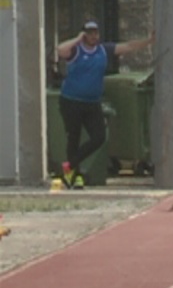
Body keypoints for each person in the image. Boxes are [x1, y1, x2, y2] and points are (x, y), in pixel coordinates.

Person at [55, 20, 154, 189]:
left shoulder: (103, 50)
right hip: (71, 101)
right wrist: (78, 39)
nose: (94, 36)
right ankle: (74, 176)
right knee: (74, 137)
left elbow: (128, 46)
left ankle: (69, 165)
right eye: (90, 33)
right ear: (84, 34)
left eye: (96, 33)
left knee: (99, 136)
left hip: (92, 102)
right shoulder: (75, 51)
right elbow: (60, 49)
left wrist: (149, 41)